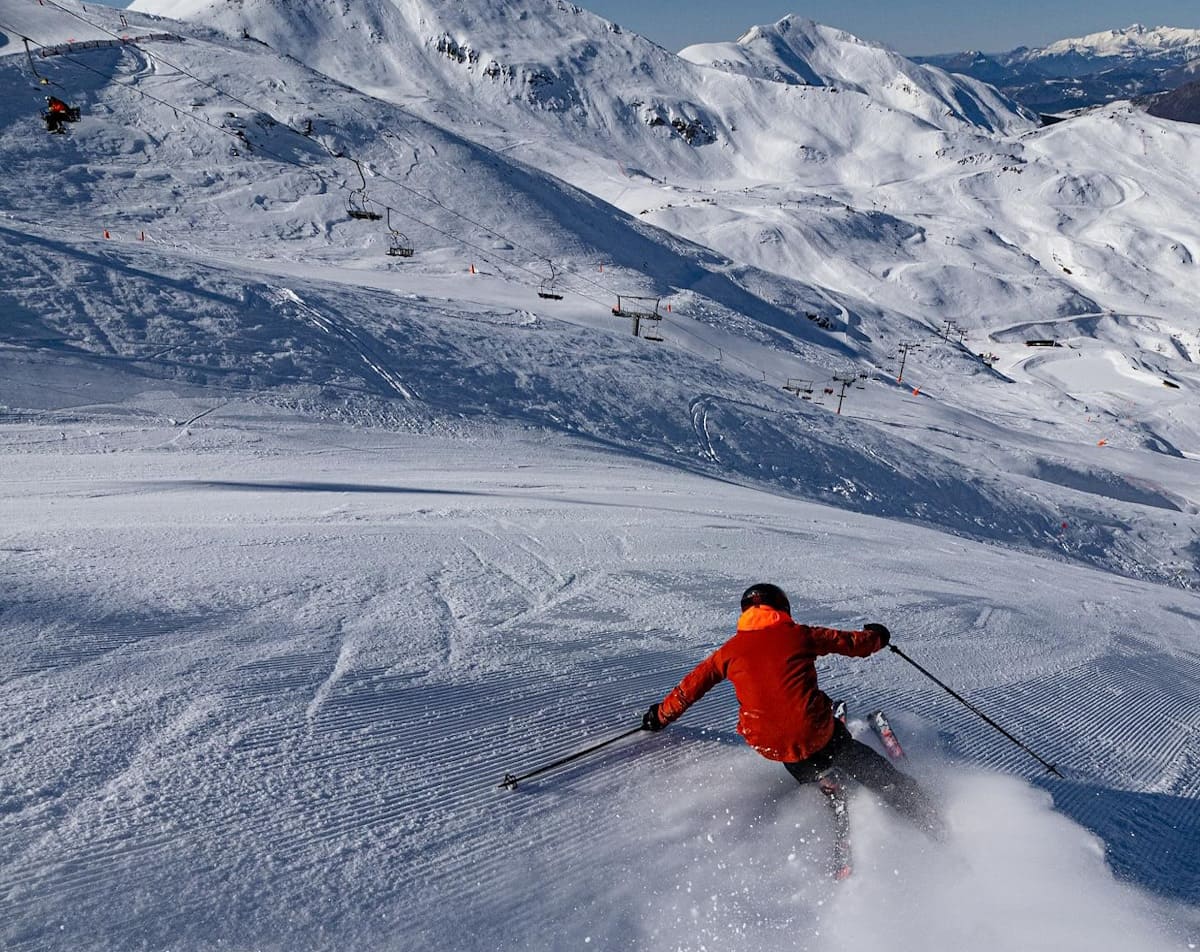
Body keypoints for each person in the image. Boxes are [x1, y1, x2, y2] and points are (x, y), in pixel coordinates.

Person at [643, 582, 940, 833]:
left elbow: (688, 690)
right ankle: (915, 805)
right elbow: (852, 643)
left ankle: (820, 780)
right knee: (837, 746)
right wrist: (878, 637)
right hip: (814, 731)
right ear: (781, 609)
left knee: (786, 743)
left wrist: (659, 717)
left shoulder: (727, 653)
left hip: (767, 743)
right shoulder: (799, 635)